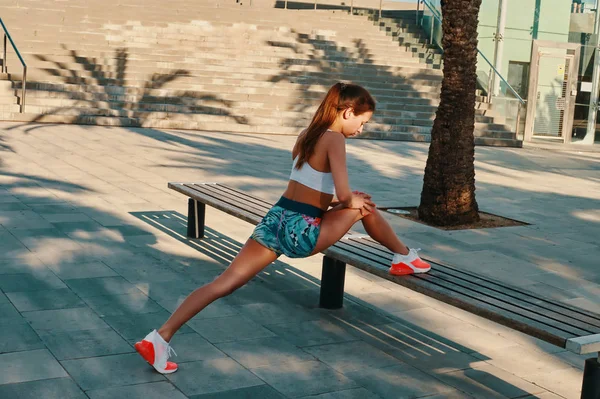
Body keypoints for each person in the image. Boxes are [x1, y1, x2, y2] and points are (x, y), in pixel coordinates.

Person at [134, 82, 431, 374]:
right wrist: (349, 201)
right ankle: (403, 257)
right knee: (364, 207)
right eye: (362, 122)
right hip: (301, 231)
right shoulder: (335, 139)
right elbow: (342, 193)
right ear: (347, 112)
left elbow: (312, 196)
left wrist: (343, 205)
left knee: (223, 283)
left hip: (275, 220)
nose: (361, 130)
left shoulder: (306, 136)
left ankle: (160, 337)